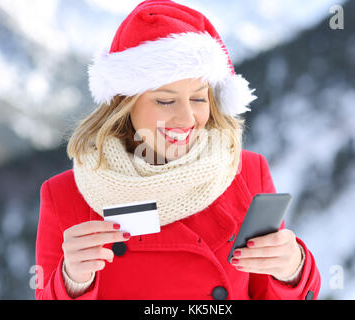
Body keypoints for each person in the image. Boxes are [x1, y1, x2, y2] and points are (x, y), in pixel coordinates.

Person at [35, 0, 321, 300]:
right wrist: (72, 282)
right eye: (165, 101)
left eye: (198, 99)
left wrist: (292, 270)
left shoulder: (247, 172)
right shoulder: (65, 196)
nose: (187, 119)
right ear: (124, 103)